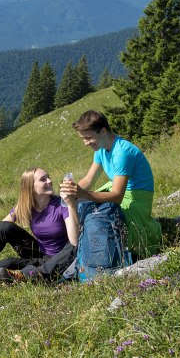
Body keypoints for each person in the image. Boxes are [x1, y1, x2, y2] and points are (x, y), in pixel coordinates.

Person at [60, 110, 161, 260]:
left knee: (85, 207)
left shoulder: (122, 152)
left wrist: (82, 194)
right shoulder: (101, 148)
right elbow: (88, 180)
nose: (86, 143)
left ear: (103, 130)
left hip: (135, 201)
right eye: (83, 139)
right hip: (122, 194)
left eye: (88, 138)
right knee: (74, 204)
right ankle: (77, 247)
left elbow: (117, 196)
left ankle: (81, 251)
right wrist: (69, 192)